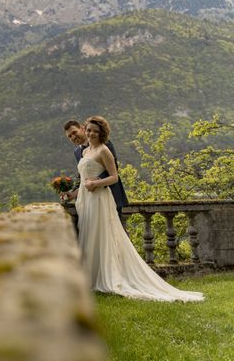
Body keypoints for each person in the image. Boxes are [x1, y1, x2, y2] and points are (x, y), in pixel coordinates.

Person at [75, 116, 203, 301]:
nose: (91, 133)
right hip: (86, 199)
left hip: (100, 199)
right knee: (89, 236)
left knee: (101, 235)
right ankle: (90, 278)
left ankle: (107, 278)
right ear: (85, 130)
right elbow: (83, 176)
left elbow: (114, 177)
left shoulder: (104, 151)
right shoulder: (86, 151)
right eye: (89, 130)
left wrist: (96, 183)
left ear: (101, 133)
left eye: (95, 131)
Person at [62, 119, 128, 215]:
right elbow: (83, 176)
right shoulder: (77, 152)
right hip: (90, 200)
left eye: (74, 132)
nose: (73, 137)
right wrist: (73, 194)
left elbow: (114, 169)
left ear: (82, 128)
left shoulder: (104, 143)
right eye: (69, 136)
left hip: (110, 195)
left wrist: (95, 182)